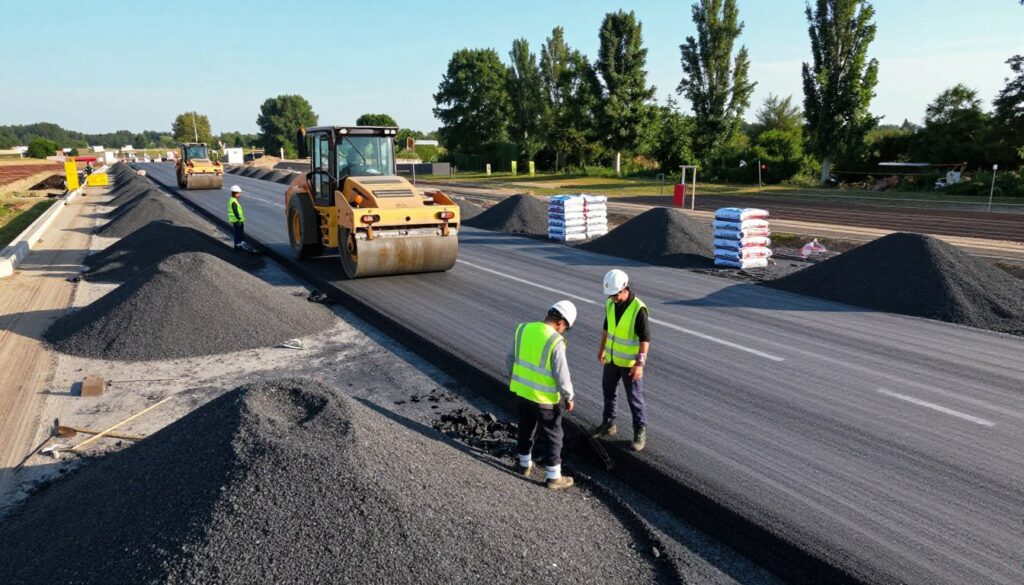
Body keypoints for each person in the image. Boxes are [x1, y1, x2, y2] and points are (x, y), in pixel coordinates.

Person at [507, 300, 578, 490]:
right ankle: (554, 477)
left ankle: (524, 465)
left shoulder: (523, 329)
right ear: (561, 323)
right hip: (544, 399)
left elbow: (510, 359)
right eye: (565, 328)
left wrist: (515, 381)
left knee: (525, 427)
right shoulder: (555, 341)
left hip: (522, 393)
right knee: (554, 435)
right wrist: (569, 396)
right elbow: (562, 374)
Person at [593, 269, 651, 452]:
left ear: (625, 288)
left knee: (634, 399)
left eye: (615, 295)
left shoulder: (638, 309)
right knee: (608, 393)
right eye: (610, 295)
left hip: (629, 365)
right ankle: (608, 424)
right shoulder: (610, 304)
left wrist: (639, 364)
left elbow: (645, 339)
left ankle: (639, 432)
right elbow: (606, 328)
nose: (613, 298)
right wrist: (602, 348)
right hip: (611, 359)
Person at [228, 185, 247, 250]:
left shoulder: (232, 200)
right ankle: (238, 244)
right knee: (238, 232)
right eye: (238, 193)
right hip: (237, 221)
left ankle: (240, 242)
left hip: (238, 220)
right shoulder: (233, 201)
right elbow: (235, 211)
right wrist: (239, 218)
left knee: (239, 232)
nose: (239, 195)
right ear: (235, 193)